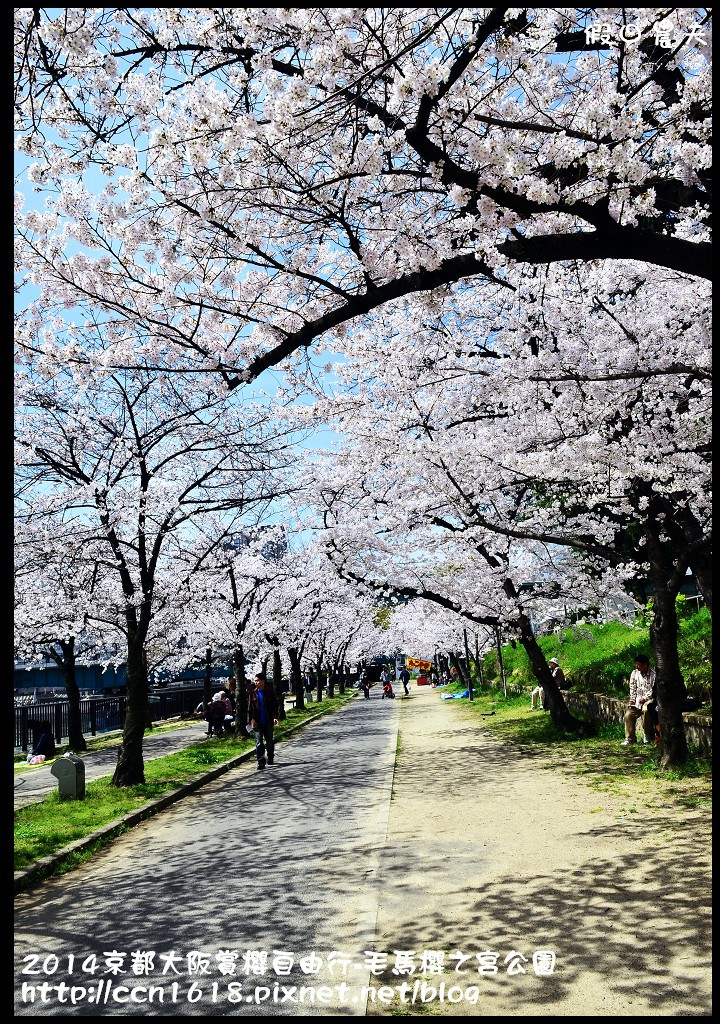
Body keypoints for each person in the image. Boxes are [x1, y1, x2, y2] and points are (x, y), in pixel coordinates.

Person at [623, 654, 656, 745]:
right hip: (638, 701)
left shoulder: (654, 674)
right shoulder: (634, 673)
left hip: (649, 700)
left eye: (638, 665)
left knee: (646, 710)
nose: (637, 667)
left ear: (645, 665)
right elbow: (632, 688)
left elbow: (653, 690)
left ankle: (647, 734)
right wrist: (632, 700)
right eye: (636, 664)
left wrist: (645, 698)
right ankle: (630, 738)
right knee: (628, 715)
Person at [248, 673, 279, 770]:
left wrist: (275, 717)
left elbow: (275, 706)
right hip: (257, 722)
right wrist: (250, 720)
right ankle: (261, 762)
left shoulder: (270, 692)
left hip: (268, 721)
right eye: (255, 680)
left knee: (269, 742)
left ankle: (270, 757)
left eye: (257, 680)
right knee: (259, 743)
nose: (255, 682)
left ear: (263, 681)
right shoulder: (253, 693)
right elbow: (250, 708)